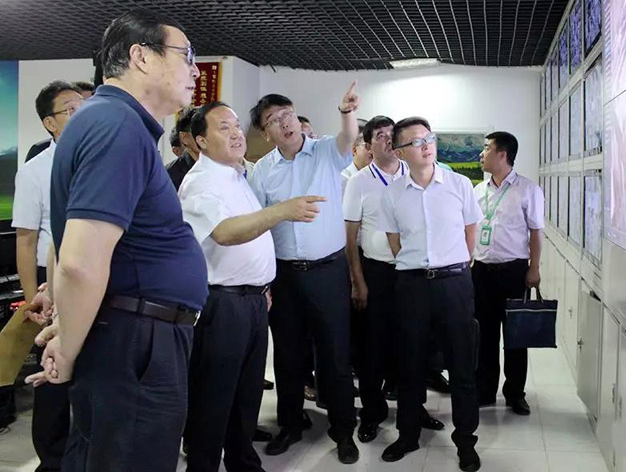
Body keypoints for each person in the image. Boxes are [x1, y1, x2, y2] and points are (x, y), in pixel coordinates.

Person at [26, 9, 208, 472]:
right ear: (141, 56)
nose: (195, 70)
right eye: (186, 55)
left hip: (129, 333)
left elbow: (66, 241)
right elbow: (80, 261)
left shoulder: (109, 122)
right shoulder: (117, 125)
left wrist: (68, 322)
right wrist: (68, 348)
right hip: (137, 342)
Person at [179, 102, 324, 472]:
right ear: (201, 141)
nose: (235, 134)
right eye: (223, 128)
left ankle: (243, 461)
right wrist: (282, 210)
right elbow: (225, 233)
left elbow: (251, 233)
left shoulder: (239, 174)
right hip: (222, 305)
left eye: (236, 126)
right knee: (214, 398)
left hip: (254, 300)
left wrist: (263, 283)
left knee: (246, 394)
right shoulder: (201, 182)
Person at [249, 84, 360, 464]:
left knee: (335, 354)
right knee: (288, 355)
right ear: (265, 133)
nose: (284, 123)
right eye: (273, 121)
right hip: (284, 276)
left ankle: (343, 431)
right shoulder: (262, 171)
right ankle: (291, 425)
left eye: (288, 115)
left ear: (297, 118)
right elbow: (258, 227)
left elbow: (348, 138)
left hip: (328, 271)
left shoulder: (326, 152)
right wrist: (263, 281)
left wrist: (346, 112)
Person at [378, 116, 482, 472]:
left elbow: (470, 233)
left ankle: (465, 442)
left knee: (462, 366)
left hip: (454, 283)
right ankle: (408, 435)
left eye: (429, 138)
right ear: (400, 151)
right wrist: (418, 267)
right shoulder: (392, 193)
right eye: (416, 142)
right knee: (409, 364)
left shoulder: (459, 184)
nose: (426, 146)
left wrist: (454, 263)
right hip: (411, 286)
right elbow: (395, 242)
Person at [343, 115, 444, 444]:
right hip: (377, 272)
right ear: (368, 145)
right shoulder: (359, 182)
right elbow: (350, 237)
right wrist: (358, 281)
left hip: (413, 272)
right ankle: (372, 412)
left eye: (391, 135)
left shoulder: (413, 174)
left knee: (414, 344)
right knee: (372, 347)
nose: (388, 140)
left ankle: (415, 408)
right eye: (380, 136)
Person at [12, 81, 83, 472]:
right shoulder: (35, 172)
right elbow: (25, 240)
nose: (81, 113)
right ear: (49, 123)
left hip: (92, 275)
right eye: (70, 109)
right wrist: (32, 299)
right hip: (49, 281)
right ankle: (52, 458)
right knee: (53, 371)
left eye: (84, 106)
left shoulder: (96, 160)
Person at [472, 131, 544, 415]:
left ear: (502, 154)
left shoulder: (528, 190)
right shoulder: (478, 191)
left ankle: (515, 393)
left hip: (514, 271)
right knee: (485, 335)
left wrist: (534, 268)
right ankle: (485, 390)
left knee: (515, 335)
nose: (481, 154)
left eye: (486, 148)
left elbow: (536, 232)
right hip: (482, 272)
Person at [166, 106, 201, 190]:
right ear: (184, 137)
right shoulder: (169, 175)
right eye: (198, 131)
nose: (204, 136)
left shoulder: (222, 165)